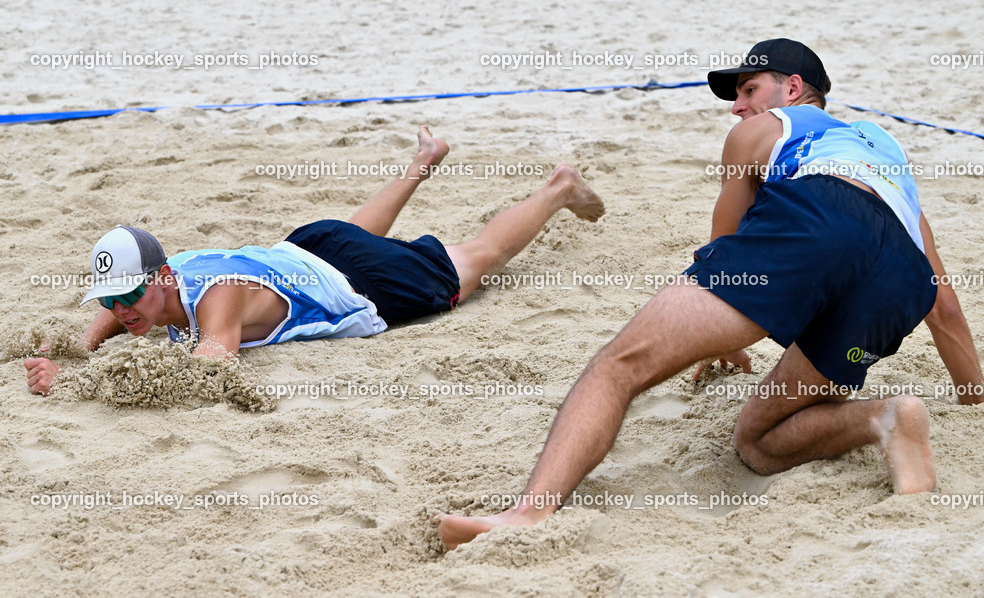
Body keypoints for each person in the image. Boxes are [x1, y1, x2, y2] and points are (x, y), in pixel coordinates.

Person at [432, 38, 984, 551]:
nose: (737, 106)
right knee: (758, 441)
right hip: (900, 280)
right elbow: (938, 296)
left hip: (817, 222)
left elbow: (728, 246)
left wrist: (719, 339)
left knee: (619, 365)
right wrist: (972, 389)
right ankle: (888, 419)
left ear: (792, 88)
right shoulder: (885, 153)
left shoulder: (764, 129)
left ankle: (528, 513)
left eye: (748, 88)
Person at [25, 125, 604, 395]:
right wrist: (81, 342)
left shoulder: (216, 298)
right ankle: (425, 158)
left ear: (165, 277)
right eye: (112, 297)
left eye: (131, 294)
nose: (122, 307)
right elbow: (118, 309)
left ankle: (558, 187)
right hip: (309, 245)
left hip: (363, 282)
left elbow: (202, 374)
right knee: (351, 239)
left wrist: (75, 382)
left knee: (477, 259)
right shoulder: (170, 270)